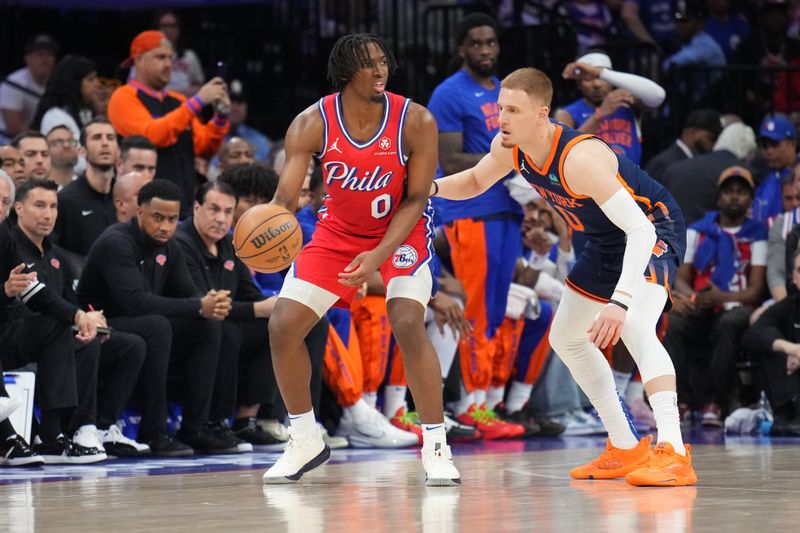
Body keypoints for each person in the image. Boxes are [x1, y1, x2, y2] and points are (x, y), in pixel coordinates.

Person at [434, 67, 696, 486]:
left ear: (542, 114)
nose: (502, 118)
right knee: (566, 337)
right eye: (500, 108)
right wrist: (425, 189)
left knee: (633, 325)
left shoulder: (578, 158)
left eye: (513, 110)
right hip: (606, 240)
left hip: (651, 228)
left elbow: (640, 231)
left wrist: (620, 300)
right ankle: (625, 445)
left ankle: (674, 450)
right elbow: (475, 180)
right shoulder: (510, 147)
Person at [263, 33, 460, 486]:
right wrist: (269, 225)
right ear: (344, 73)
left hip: (401, 230)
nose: (380, 70)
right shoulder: (311, 123)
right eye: (368, 64)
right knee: (283, 326)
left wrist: (378, 255)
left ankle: (435, 445)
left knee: (407, 319)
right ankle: (306, 438)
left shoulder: (417, 120)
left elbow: (415, 200)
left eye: (383, 62)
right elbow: (284, 199)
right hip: (337, 234)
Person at [77, 180, 240, 455]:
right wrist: (199, 305)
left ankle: (197, 427)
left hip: (143, 328)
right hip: (100, 327)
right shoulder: (117, 242)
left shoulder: (170, 246)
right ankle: (153, 432)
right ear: (139, 212)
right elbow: (135, 303)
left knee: (208, 327)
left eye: (173, 219)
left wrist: (211, 303)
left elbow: (190, 293)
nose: (165, 226)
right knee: (157, 325)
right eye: (158, 217)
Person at [426, 13, 527, 438]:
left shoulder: (506, 90)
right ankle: (468, 406)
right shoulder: (448, 94)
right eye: (476, 43)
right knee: (474, 310)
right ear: (462, 48)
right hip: (469, 210)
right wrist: (511, 159)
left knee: (495, 311)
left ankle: (484, 403)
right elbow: (449, 160)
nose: (485, 50)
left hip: (507, 211)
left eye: (491, 42)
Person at [11, 178, 149, 456]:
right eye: (39, 205)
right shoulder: (11, 247)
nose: (48, 214)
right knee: (77, 338)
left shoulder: (53, 254)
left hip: (54, 333)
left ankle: (100, 427)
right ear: (18, 209)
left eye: (53, 206)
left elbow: (66, 300)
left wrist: (90, 317)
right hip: (18, 337)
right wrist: (76, 319)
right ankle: (67, 429)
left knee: (129, 345)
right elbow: (35, 301)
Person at [175, 181, 283, 445]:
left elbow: (248, 291)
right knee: (226, 331)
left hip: (221, 324)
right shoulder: (182, 243)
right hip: (185, 327)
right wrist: (259, 309)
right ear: (196, 208)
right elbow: (204, 302)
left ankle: (248, 421)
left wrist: (275, 305)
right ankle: (209, 423)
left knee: (277, 327)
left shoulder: (229, 244)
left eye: (227, 211)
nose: (221, 219)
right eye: (214, 210)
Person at [664, 166, 767, 426]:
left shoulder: (758, 234)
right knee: (674, 322)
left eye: (741, 192)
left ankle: (713, 401)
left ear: (750, 200)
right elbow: (682, 279)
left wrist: (721, 297)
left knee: (729, 323)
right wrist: (695, 298)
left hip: (737, 304)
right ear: (718, 197)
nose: (734, 197)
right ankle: (682, 400)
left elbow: (755, 290)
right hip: (703, 301)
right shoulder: (698, 230)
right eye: (728, 191)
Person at [108, 30, 230, 217]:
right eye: (160, 57)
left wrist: (220, 118)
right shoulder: (123, 97)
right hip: (147, 210)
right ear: (139, 60)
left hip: (186, 207)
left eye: (170, 58)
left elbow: (203, 148)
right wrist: (197, 101)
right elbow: (153, 136)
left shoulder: (179, 101)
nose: (168, 64)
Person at [555, 51, 665, 165]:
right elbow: (563, 153)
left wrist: (602, 73)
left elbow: (658, 95)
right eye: (588, 79)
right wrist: (599, 115)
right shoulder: (567, 113)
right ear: (578, 84)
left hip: (630, 181)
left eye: (600, 77)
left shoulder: (628, 103)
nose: (597, 84)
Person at [742, 247, 800, 436]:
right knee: (769, 341)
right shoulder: (791, 304)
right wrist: (791, 348)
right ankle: (785, 415)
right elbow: (752, 335)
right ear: (794, 277)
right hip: (793, 388)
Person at [54, 117, 119, 256]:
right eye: (97, 137)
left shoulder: (126, 197)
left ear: (118, 150)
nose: (105, 143)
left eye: (110, 138)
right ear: (82, 151)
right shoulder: (65, 200)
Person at [31, 55, 102, 140]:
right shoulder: (55, 117)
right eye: (90, 79)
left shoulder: (86, 112)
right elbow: (73, 145)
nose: (98, 84)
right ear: (74, 84)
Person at [0, 34, 58, 139]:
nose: (45, 59)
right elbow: (14, 126)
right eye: (40, 54)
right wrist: (44, 140)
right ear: (27, 59)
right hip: (7, 138)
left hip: (40, 136)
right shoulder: (14, 83)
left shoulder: (57, 83)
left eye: (49, 54)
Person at [644, 108, 722, 182]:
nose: (714, 144)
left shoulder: (695, 161)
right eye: (711, 138)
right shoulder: (663, 163)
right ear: (692, 132)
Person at [45, 125, 79, 190]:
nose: (67, 145)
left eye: (71, 141)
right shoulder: (39, 191)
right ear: (46, 151)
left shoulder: (87, 187)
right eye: (58, 142)